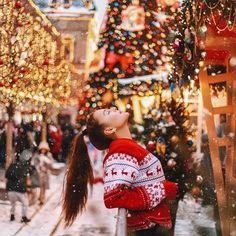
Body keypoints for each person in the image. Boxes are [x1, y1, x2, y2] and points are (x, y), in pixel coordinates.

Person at [62, 107, 179, 235]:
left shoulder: (127, 147)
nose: (113, 108)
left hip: (151, 227)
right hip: (146, 229)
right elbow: (114, 197)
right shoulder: (121, 151)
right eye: (107, 112)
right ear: (109, 130)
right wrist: (162, 190)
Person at [5, 150, 32, 223]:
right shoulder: (25, 167)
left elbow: (6, 175)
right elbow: (28, 178)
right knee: (25, 203)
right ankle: (24, 217)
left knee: (13, 203)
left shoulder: (12, 165)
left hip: (10, 189)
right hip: (20, 189)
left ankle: (12, 215)